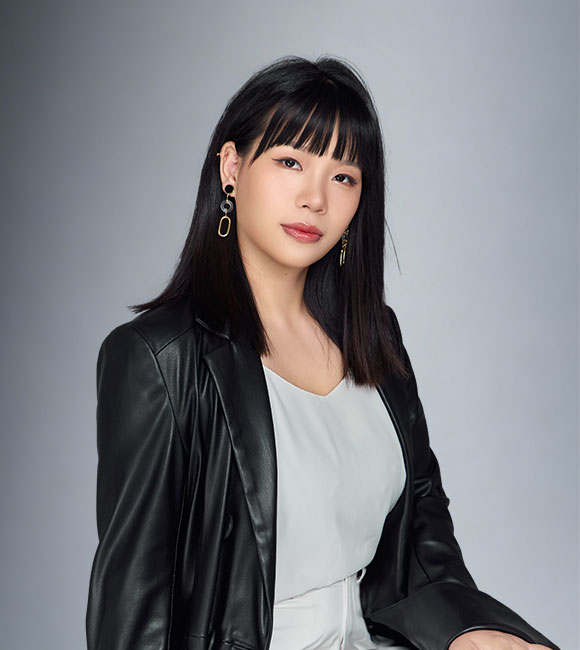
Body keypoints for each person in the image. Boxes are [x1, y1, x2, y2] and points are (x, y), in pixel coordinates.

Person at [85, 56, 559, 650]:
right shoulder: (159, 358)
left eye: (344, 177)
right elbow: (135, 606)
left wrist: (469, 632)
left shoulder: (374, 336)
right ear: (232, 168)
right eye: (291, 162)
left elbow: (420, 521)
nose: (315, 198)